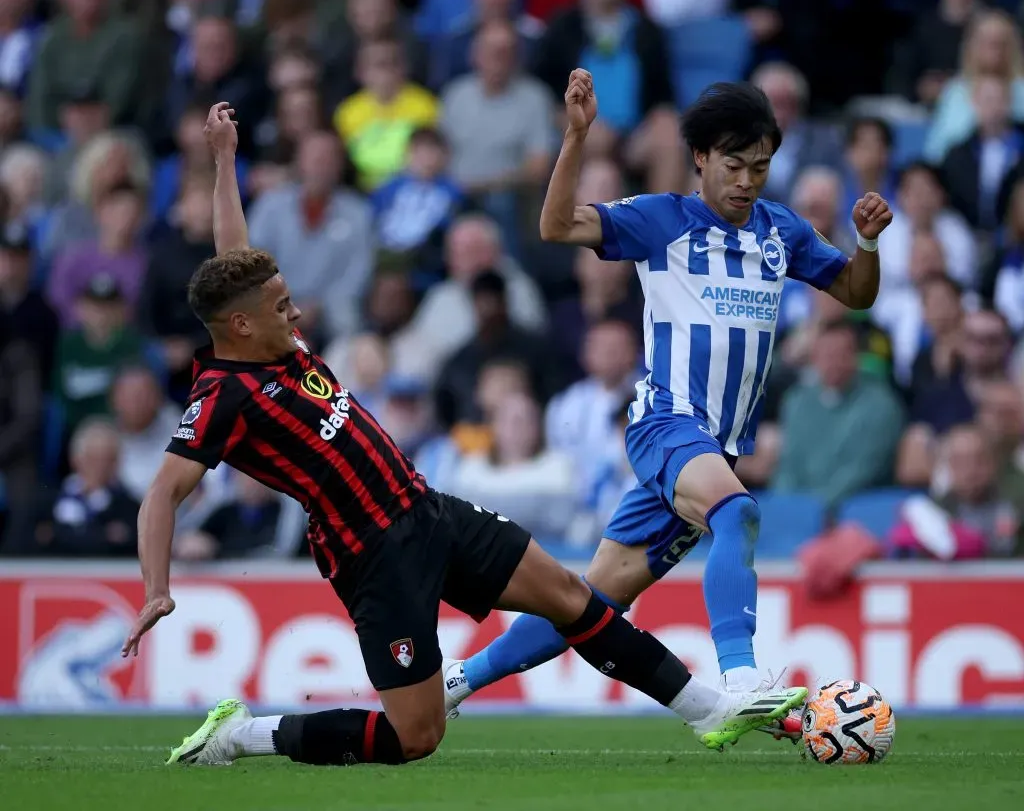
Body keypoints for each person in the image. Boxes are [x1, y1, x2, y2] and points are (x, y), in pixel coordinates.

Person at [119, 103, 807, 769]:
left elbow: (234, 259)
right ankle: (245, 735)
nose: (295, 312)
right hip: (371, 555)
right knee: (415, 737)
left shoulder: (276, 340)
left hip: (426, 508)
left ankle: (709, 710)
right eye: (280, 306)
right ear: (240, 326)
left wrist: (225, 162)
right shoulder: (221, 398)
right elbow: (162, 493)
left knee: (572, 597)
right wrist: (155, 587)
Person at [443, 72, 893, 741]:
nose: (747, 181)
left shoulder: (782, 232)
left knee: (586, 602)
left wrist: (868, 243)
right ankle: (741, 680)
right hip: (666, 423)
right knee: (737, 511)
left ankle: (452, 682)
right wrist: (576, 136)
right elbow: (555, 224)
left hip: (716, 446)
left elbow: (856, 293)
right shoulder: (663, 220)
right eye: (734, 165)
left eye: (760, 167)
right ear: (701, 158)